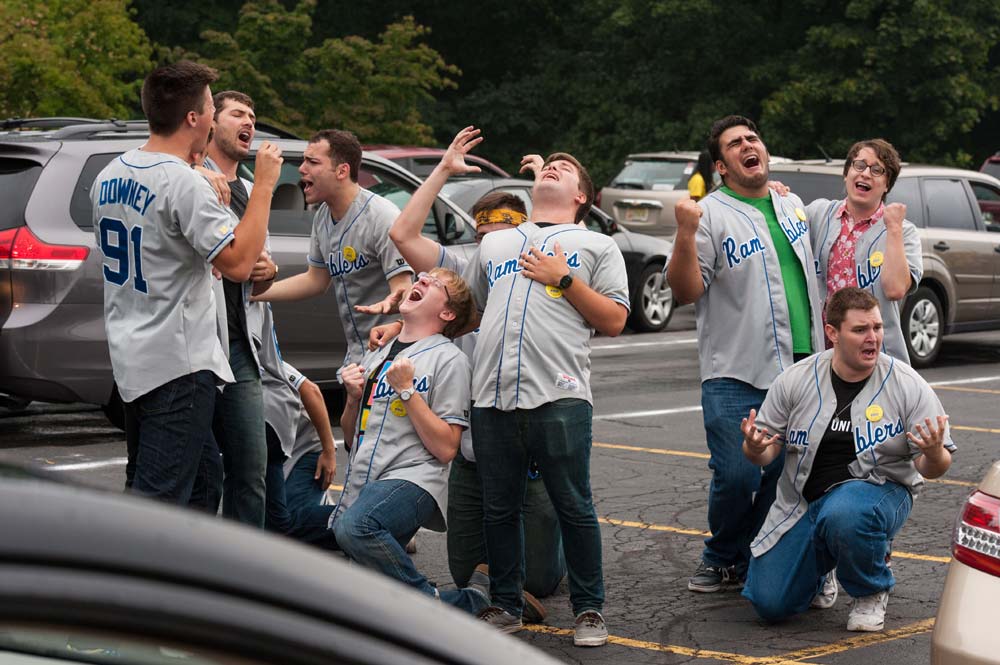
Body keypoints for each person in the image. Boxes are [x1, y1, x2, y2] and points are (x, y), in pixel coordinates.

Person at [368, 126, 566, 622]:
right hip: (476, 443)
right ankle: (493, 580)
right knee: (465, 571)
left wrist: (545, 184)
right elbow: (402, 235)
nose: (491, 243)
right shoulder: (464, 268)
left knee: (539, 577)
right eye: (483, 234)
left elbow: (562, 231)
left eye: (504, 232)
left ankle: (524, 568)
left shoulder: (541, 265)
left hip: (527, 427)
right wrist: (441, 170)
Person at [91, 61, 282, 507]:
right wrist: (266, 187)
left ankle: (184, 574)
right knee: (162, 500)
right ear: (193, 118)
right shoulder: (183, 183)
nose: (215, 116)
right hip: (179, 364)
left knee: (194, 482)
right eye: (212, 107)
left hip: (132, 356)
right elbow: (237, 264)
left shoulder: (109, 174)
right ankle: (140, 575)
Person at [462, 150, 630, 648]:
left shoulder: (598, 244)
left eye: (566, 167)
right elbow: (467, 312)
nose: (553, 167)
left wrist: (564, 277)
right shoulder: (495, 244)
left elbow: (616, 320)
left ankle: (589, 610)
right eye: (546, 166)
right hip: (491, 395)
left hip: (560, 395)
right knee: (499, 508)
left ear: (582, 196)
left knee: (572, 505)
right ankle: (507, 604)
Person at [666, 115, 825, 593]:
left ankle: (750, 555)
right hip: (735, 369)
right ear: (721, 165)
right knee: (737, 473)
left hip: (800, 367)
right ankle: (720, 554)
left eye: (752, 138)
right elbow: (686, 290)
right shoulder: (709, 214)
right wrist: (685, 234)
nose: (747, 145)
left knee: (783, 471)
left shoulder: (791, 204)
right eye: (735, 144)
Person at [740, 287, 954, 631]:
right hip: (804, 504)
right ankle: (824, 566)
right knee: (770, 604)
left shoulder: (906, 384)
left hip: (879, 493)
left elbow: (935, 468)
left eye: (878, 327)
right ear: (832, 333)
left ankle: (871, 589)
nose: (873, 338)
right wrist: (753, 446)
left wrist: (932, 452)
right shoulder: (797, 379)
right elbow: (765, 453)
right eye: (860, 330)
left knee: (847, 513)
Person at [333, 268, 489, 615]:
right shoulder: (379, 351)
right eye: (420, 277)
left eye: (434, 283)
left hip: (413, 479)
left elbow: (447, 447)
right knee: (363, 605)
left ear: (447, 314)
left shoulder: (449, 359)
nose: (419, 281)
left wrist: (407, 390)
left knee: (355, 527)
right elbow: (349, 436)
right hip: (367, 480)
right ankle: (475, 599)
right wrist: (352, 397)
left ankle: (443, 605)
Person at [254, 129, 413, 370]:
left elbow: (404, 291)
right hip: (357, 355)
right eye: (304, 160)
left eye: (313, 162)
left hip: (391, 353)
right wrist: (253, 294)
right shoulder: (323, 217)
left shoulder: (382, 216)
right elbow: (315, 280)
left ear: (342, 171)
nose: (301, 168)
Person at [201, 90, 279, 526]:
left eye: (252, 116)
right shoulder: (188, 174)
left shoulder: (250, 189)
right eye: (237, 114)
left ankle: (243, 574)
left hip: (240, 346)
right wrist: (196, 169)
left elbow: (254, 269)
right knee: (198, 471)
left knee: (251, 468)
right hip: (197, 344)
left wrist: (265, 271)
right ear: (211, 123)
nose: (248, 122)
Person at [806, 139, 921, 362]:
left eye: (877, 170)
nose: (866, 174)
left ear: (887, 184)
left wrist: (894, 228)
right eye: (859, 165)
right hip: (824, 354)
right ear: (846, 173)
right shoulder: (817, 214)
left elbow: (895, 289)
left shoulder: (904, 232)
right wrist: (775, 191)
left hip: (876, 356)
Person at [249, 301, 339, 548]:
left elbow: (312, 391)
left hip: (304, 452)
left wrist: (329, 451)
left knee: (280, 529)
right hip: (273, 451)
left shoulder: (259, 359)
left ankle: (367, 524)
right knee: (264, 524)